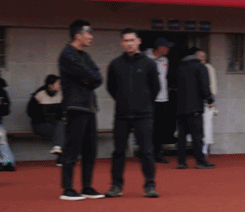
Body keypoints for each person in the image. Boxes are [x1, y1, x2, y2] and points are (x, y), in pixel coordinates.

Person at [105, 28, 161, 198]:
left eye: (132, 40)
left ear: (138, 41)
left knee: (146, 151)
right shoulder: (115, 64)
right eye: (126, 40)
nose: (129, 43)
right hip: (121, 114)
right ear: (121, 43)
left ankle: (149, 185)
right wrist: (123, 100)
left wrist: (144, 102)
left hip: (144, 114)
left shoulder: (149, 64)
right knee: (118, 152)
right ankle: (116, 186)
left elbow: (155, 88)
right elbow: (111, 88)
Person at [58, 19, 105, 200]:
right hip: (75, 106)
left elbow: (97, 77)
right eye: (88, 33)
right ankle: (68, 188)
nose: (91, 36)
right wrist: (88, 78)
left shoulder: (85, 56)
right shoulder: (67, 55)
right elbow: (87, 74)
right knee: (72, 148)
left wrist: (88, 79)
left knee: (90, 150)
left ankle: (87, 186)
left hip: (90, 106)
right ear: (77, 35)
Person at [176, 47, 216, 169]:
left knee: (181, 136)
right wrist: (209, 99)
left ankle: (181, 162)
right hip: (195, 106)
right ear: (200, 58)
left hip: (180, 107)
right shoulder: (200, 67)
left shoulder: (180, 68)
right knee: (197, 136)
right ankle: (200, 161)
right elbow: (204, 85)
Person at [146, 38, 175, 162]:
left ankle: (158, 153)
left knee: (160, 127)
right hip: (148, 99)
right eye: (166, 47)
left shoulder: (165, 60)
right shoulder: (145, 58)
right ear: (160, 47)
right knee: (148, 127)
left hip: (162, 98)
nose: (168, 49)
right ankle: (147, 153)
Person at [27, 75, 66, 162]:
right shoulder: (39, 94)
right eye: (58, 84)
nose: (60, 86)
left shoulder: (60, 94)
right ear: (50, 85)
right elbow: (30, 112)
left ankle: (58, 149)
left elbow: (61, 112)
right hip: (40, 124)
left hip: (55, 124)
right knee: (62, 133)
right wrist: (50, 117)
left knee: (62, 128)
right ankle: (61, 157)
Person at [195, 49, 219, 157]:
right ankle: (197, 148)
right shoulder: (193, 68)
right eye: (199, 56)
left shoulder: (209, 69)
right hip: (195, 101)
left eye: (203, 56)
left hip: (206, 101)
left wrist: (211, 99)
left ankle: (204, 149)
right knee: (196, 126)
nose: (202, 58)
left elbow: (212, 86)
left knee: (207, 126)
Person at [0, 77, 14, 171]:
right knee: (3, 143)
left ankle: (6, 162)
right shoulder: (3, 92)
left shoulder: (2, 93)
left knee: (2, 143)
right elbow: (6, 110)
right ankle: (8, 162)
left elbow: (6, 109)